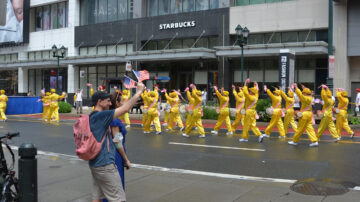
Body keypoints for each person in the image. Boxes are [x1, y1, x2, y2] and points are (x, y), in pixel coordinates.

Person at [88, 82, 144, 202]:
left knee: (97, 196)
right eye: (107, 101)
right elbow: (117, 141)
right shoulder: (105, 117)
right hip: (107, 162)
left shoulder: (92, 115)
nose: (109, 103)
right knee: (117, 197)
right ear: (100, 102)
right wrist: (139, 91)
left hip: (95, 162)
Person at [109, 92, 131, 195]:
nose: (123, 103)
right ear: (117, 103)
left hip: (111, 153)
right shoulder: (115, 120)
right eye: (121, 101)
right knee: (116, 187)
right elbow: (117, 142)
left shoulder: (108, 116)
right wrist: (126, 159)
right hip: (115, 156)